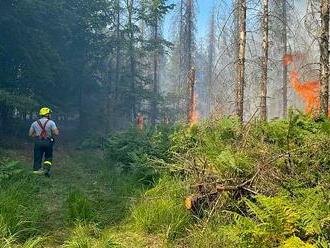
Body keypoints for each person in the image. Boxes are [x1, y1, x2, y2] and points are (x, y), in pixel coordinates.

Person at [29, 107, 59, 177]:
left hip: (38, 142)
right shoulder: (51, 122)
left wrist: (37, 135)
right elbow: (56, 133)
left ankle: (36, 172)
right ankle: (46, 170)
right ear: (47, 114)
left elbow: (30, 134)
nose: (50, 115)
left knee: (37, 157)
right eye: (49, 114)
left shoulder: (34, 123)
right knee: (48, 157)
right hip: (48, 142)